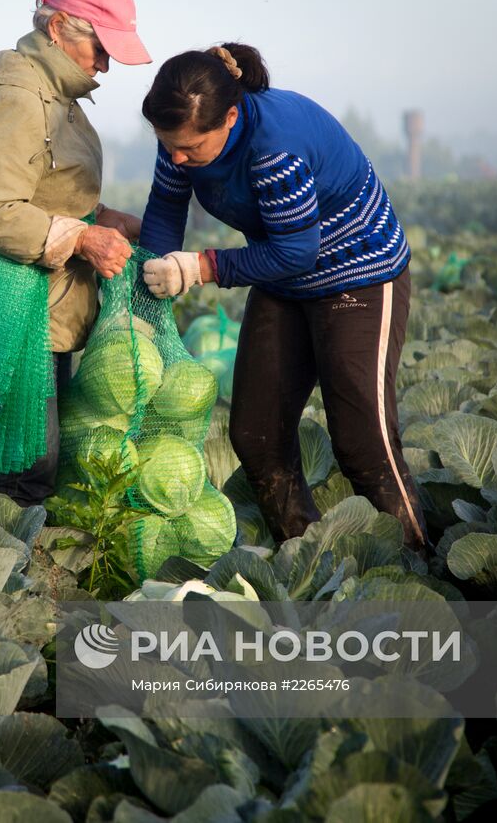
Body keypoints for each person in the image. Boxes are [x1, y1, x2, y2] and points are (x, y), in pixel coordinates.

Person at [137, 43, 432, 554]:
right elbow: (166, 204)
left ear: (230, 118)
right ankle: (307, 560)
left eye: (190, 147)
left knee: (363, 441)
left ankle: (416, 566)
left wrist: (204, 267)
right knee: (255, 434)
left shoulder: (275, 148)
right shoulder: (180, 138)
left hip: (356, 270)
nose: (178, 157)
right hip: (283, 276)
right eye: (169, 145)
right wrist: (155, 276)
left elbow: (297, 251)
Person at [0, 0, 149, 506]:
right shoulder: (19, 98)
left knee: (30, 460)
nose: (105, 64)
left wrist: (101, 216)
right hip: (12, 314)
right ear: (58, 29)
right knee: (24, 466)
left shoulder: (56, 96)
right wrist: (81, 239)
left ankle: (11, 574)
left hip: (41, 305)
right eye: (100, 48)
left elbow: (42, 188)